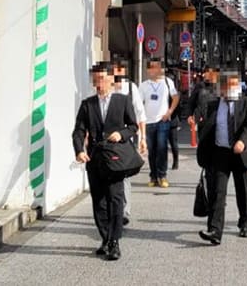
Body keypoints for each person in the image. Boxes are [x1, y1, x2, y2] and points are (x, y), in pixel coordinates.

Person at [72, 64, 139, 261]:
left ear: (111, 79)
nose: (98, 84)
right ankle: (105, 238)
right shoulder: (88, 104)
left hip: (116, 159)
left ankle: (115, 241)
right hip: (95, 159)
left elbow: (133, 126)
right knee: (99, 202)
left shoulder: (122, 101)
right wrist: (79, 151)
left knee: (115, 200)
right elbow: (78, 131)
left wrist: (122, 134)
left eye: (101, 79)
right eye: (95, 80)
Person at [196, 71, 247, 244]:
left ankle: (244, 221)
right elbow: (206, 126)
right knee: (218, 191)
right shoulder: (213, 104)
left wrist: (242, 141)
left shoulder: (245, 102)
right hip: (220, 152)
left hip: (240, 152)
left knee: (242, 190)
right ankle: (215, 230)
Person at [112, 62, 146, 227]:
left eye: (118, 69)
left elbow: (140, 114)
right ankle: (112, 210)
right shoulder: (106, 88)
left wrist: (143, 138)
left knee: (123, 174)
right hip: (109, 140)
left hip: (127, 138)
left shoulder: (132, 89)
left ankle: (124, 212)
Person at [138, 59, 179, 188]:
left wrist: (169, 112)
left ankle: (162, 175)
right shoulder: (144, 85)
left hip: (163, 121)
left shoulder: (167, 82)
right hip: (148, 121)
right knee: (152, 151)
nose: (155, 70)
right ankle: (153, 176)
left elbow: (176, 97)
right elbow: (139, 104)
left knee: (162, 148)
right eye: (152, 68)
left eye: (158, 67)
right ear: (148, 70)